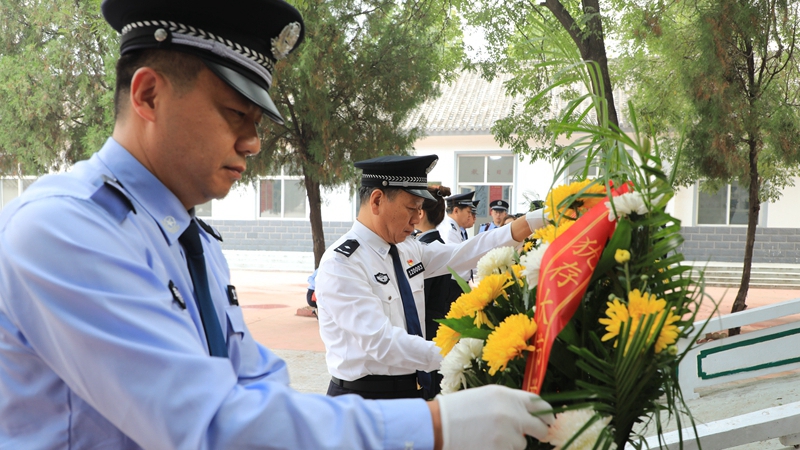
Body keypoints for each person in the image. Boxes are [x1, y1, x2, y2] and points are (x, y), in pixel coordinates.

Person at [0, 1, 553, 449]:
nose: (253, 142)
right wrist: (438, 426)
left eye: (257, 121)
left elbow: (257, 382)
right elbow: (210, 425)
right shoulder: (67, 231)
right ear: (148, 94)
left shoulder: (193, 240)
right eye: (235, 115)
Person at [316, 155, 547, 404]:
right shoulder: (342, 264)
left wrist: (533, 221)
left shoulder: (407, 250)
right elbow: (382, 343)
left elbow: (465, 253)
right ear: (377, 201)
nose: (417, 218)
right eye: (411, 207)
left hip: (414, 392)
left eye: (420, 209)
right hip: (363, 400)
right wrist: (469, 353)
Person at [415, 185, 465, 398]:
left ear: (421, 213)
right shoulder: (436, 243)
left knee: (430, 390)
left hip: (428, 331)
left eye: (413, 207)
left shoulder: (427, 249)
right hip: (438, 328)